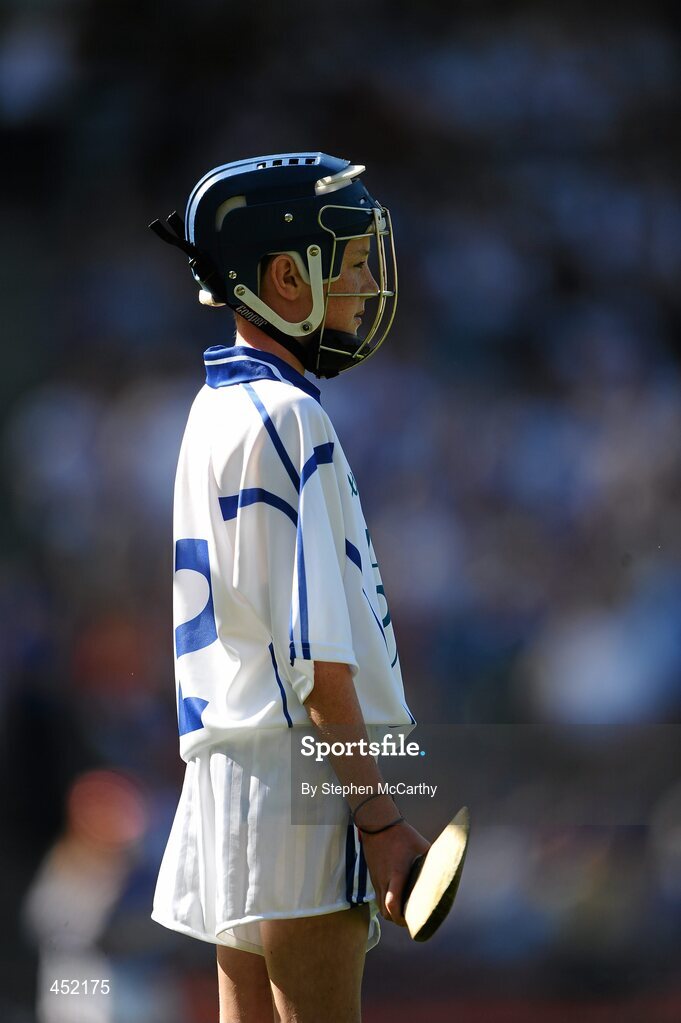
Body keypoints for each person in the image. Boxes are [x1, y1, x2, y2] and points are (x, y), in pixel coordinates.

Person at [149, 153, 429, 1023]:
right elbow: (318, 662)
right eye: (343, 261)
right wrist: (379, 818)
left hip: (227, 767)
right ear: (283, 275)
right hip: (302, 775)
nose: (359, 284)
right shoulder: (292, 417)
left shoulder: (209, 409)